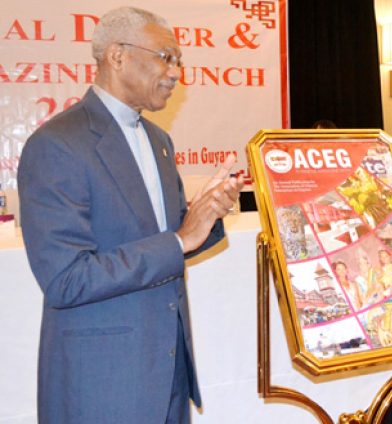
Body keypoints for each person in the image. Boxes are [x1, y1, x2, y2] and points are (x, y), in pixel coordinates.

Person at [17, 7, 244, 423]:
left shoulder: (159, 141)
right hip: (103, 381)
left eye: (179, 61)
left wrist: (206, 215)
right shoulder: (57, 144)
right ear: (117, 56)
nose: (176, 72)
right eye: (166, 56)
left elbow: (170, 239)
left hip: (169, 371)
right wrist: (181, 238)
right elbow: (66, 279)